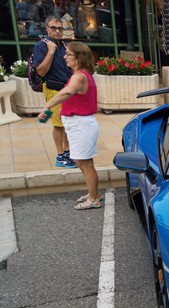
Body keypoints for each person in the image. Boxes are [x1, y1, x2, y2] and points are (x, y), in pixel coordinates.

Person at [37, 42, 100, 210]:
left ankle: (94, 198)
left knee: (84, 164)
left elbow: (67, 92)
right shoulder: (81, 74)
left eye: (68, 54)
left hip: (82, 125)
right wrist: (63, 110)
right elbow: (76, 98)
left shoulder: (79, 76)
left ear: (79, 57)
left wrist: (47, 106)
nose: (65, 57)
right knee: (83, 163)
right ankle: (93, 193)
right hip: (78, 123)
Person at [33, 15, 75, 168]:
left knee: (66, 123)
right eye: (54, 28)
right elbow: (41, 72)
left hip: (65, 89)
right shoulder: (42, 46)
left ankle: (68, 152)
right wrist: (50, 52)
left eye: (60, 28)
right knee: (58, 124)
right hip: (53, 89)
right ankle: (61, 156)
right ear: (47, 29)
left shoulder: (63, 45)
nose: (57, 31)